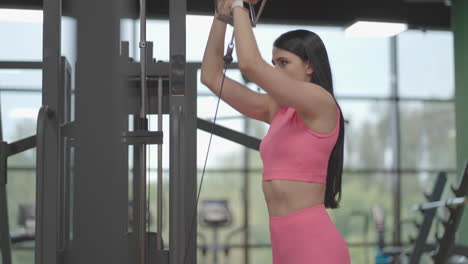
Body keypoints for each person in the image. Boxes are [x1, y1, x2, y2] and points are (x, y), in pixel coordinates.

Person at [201, 0, 351, 263]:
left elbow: (250, 65)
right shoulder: (276, 109)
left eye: (284, 63)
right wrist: (222, 15)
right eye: (274, 63)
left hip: (317, 248)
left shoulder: (322, 103)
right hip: (283, 247)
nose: (276, 71)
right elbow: (211, 77)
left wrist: (239, 4)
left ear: (310, 66)